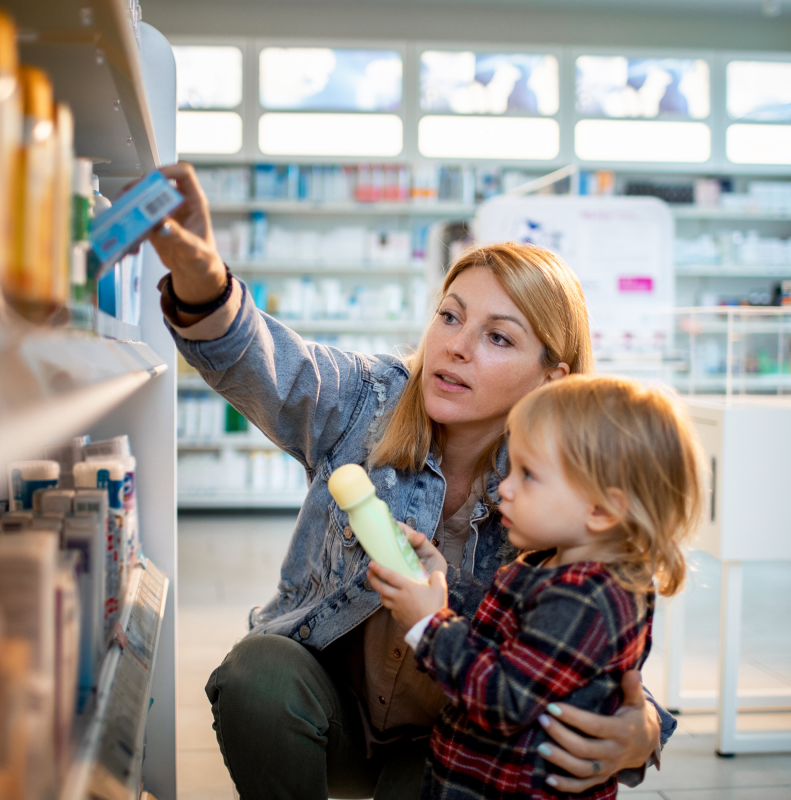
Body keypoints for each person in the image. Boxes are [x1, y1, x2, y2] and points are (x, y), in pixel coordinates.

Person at [150, 162, 675, 800]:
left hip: (450, 743)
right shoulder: (371, 398)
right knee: (257, 676)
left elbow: (589, 635)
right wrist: (203, 279)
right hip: (327, 709)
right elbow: (268, 368)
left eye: (499, 338)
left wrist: (645, 725)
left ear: (553, 378)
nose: (455, 347)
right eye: (449, 317)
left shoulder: (562, 491)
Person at [368, 375, 704, 799]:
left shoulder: (587, 598)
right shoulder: (554, 564)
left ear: (602, 509)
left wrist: (429, 625)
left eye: (528, 476)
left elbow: (505, 698)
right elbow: (509, 638)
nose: (504, 488)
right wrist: (444, 581)